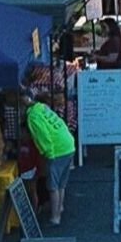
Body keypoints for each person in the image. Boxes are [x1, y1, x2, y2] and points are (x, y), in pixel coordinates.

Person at [23, 90, 75, 225]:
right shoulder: (42, 107)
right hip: (68, 144)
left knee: (53, 186)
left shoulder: (33, 116)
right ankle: (60, 207)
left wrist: (48, 155)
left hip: (57, 150)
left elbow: (43, 137)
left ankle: (55, 216)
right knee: (61, 183)